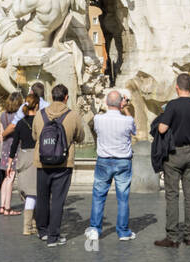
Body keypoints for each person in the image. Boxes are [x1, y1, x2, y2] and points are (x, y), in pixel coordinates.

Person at [32, 82, 85, 246]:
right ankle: (54, 236)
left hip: (42, 162)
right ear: (66, 97)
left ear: (51, 97)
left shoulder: (39, 114)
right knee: (57, 201)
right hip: (63, 163)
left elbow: (35, 136)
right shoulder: (73, 115)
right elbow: (81, 137)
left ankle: (43, 232)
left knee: (42, 198)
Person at [154, 73, 190, 248]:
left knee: (172, 195)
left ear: (177, 87)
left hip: (174, 153)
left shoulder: (172, 105)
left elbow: (162, 129)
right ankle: (189, 235)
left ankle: (173, 236)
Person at [85, 90, 137, 249]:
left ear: (107, 103)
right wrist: (126, 107)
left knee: (99, 195)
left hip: (104, 161)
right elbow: (135, 130)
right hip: (122, 162)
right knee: (123, 197)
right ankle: (123, 232)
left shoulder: (98, 119)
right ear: (121, 103)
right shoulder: (127, 120)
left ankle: (95, 229)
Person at [10, 92, 40, 234]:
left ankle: (32, 224)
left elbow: (14, 144)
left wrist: (10, 162)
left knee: (29, 192)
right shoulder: (41, 121)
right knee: (34, 193)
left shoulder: (20, 123)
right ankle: (28, 226)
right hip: (36, 157)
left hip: (23, 157)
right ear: (38, 105)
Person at [0, 92, 23, 214]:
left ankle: (2, 206)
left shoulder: (3, 115)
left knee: (6, 177)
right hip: (15, 148)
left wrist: (2, 149)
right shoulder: (18, 116)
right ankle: (8, 208)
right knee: (11, 177)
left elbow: (1, 134)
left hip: (5, 148)